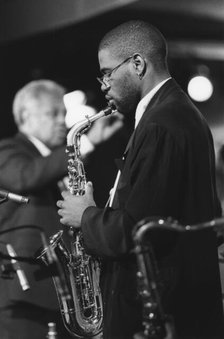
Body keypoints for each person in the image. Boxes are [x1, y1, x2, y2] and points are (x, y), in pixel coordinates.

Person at [57, 20, 224, 339]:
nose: (103, 84)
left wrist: (86, 216)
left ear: (137, 63)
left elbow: (141, 230)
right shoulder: (180, 114)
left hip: (159, 314)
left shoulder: (160, 123)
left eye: (106, 72)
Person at [0, 79, 123, 339]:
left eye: (63, 114)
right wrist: (85, 143)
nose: (61, 120)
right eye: (52, 113)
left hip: (57, 292)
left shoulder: (57, 158)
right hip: (24, 291)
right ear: (25, 116)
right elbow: (25, 177)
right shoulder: (9, 150)